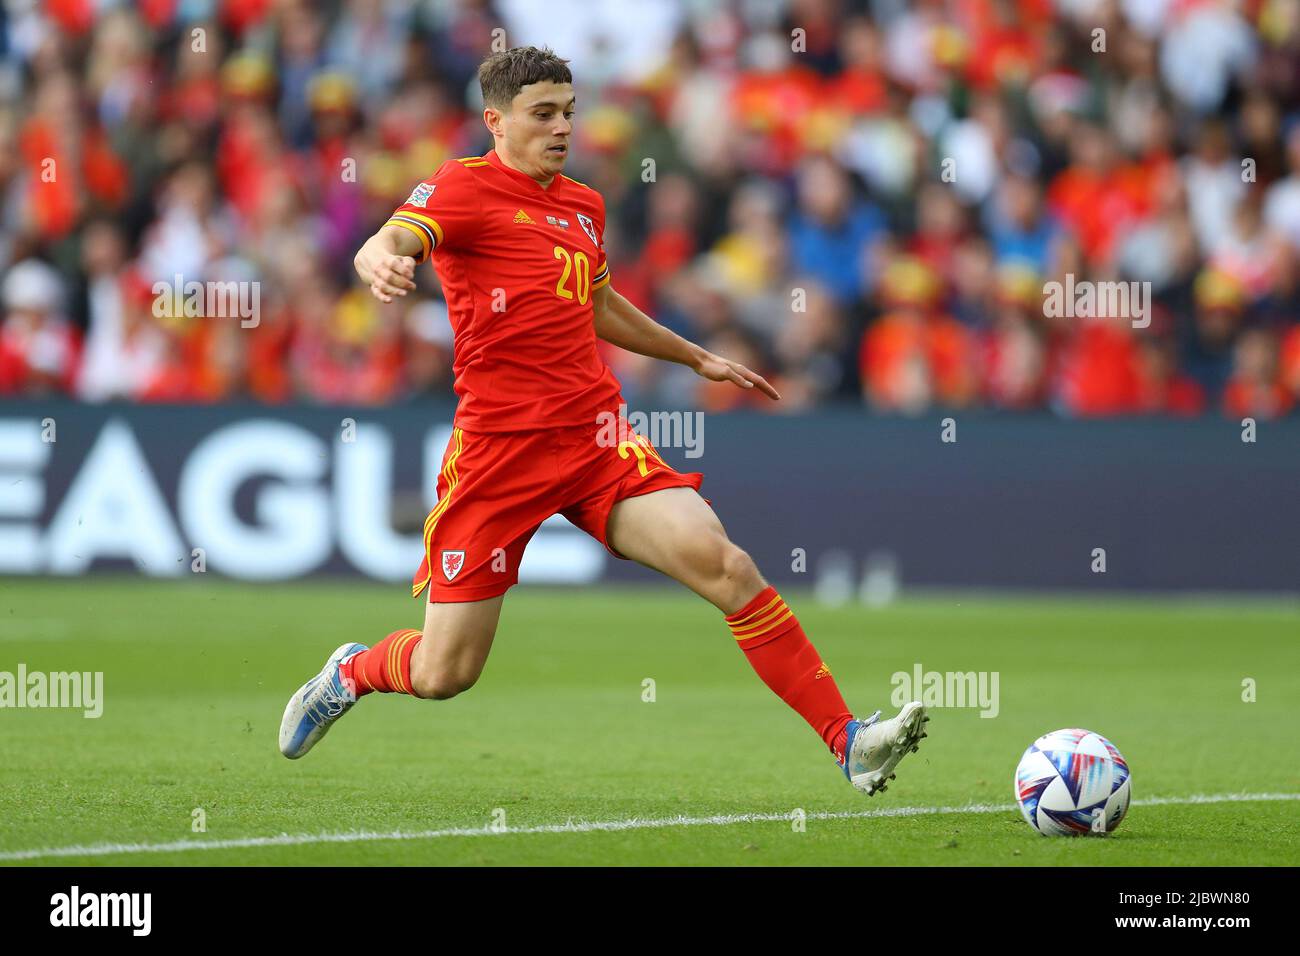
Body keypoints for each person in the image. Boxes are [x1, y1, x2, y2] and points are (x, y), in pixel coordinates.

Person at [278, 46, 927, 796]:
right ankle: (351, 672)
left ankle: (850, 741)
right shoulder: (462, 188)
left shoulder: (584, 204)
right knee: (443, 672)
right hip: (499, 456)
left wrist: (694, 357)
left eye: (569, 113)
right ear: (495, 121)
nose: (562, 129)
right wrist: (376, 261)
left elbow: (595, 302)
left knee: (727, 566)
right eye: (543, 115)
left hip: (595, 439)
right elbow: (387, 238)